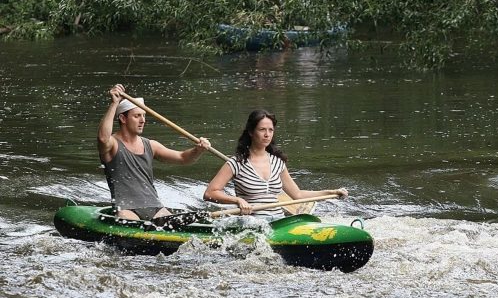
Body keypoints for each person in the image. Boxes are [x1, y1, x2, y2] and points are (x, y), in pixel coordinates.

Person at [204, 109, 347, 221]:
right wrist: (238, 200)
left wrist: (331, 193)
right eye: (262, 130)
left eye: (270, 130)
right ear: (251, 132)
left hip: (279, 220)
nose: (267, 134)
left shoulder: (278, 162)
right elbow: (210, 193)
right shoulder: (236, 163)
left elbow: (297, 195)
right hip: (252, 222)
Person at [97, 84, 211, 221]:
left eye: (144, 116)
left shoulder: (151, 145)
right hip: (126, 209)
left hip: (156, 207)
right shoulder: (113, 145)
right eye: (137, 116)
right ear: (123, 118)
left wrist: (198, 150)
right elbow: (103, 138)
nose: (143, 120)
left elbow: (182, 158)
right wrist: (114, 103)